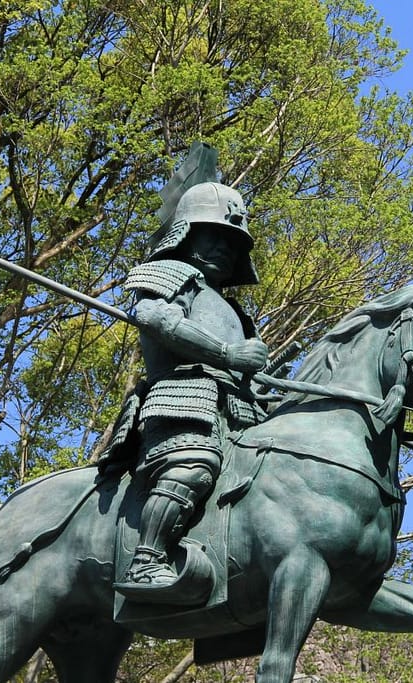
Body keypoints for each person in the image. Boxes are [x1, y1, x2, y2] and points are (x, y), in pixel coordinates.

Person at [117, 181, 267, 592]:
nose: (223, 248)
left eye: (232, 242)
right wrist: (227, 354)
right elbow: (154, 317)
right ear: (185, 233)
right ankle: (147, 559)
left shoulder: (233, 309)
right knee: (194, 466)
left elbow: (245, 374)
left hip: (239, 410)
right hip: (185, 400)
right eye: (212, 236)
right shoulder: (168, 274)